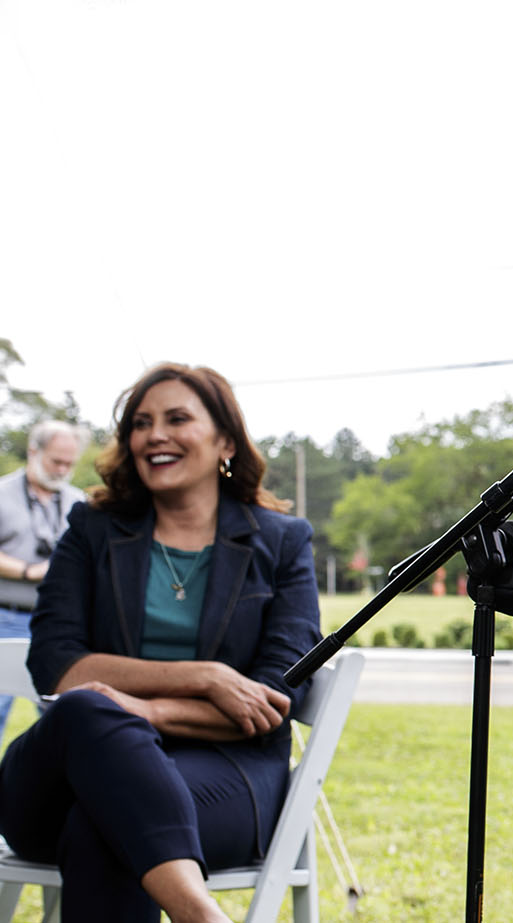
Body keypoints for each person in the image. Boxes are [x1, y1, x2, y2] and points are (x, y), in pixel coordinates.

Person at [0, 364, 320, 923]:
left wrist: (143, 709)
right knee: (85, 708)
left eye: (177, 419)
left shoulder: (281, 542)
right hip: (55, 781)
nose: (155, 435)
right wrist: (204, 677)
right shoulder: (92, 528)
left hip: (228, 770)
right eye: (141, 423)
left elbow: (271, 698)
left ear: (224, 439)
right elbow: (56, 663)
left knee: (103, 823)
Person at [0, 419, 89, 737]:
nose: (62, 469)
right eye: (56, 461)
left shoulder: (78, 500)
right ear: (33, 451)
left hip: (57, 621)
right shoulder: (3, 493)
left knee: (62, 712)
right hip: (6, 613)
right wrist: (27, 571)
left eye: (69, 463)